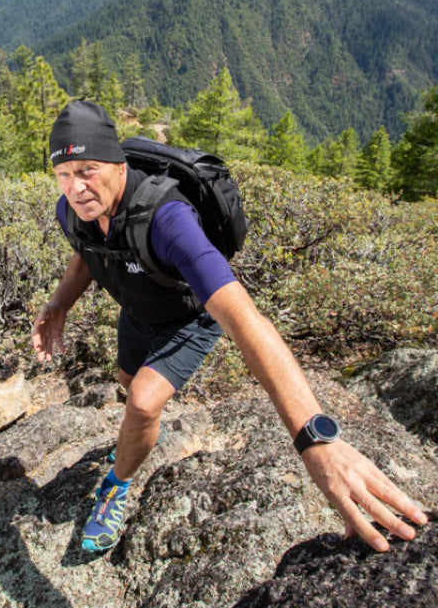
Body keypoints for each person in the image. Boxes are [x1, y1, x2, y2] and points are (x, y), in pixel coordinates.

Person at [33, 99, 428, 553]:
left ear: (118, 163)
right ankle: (132, 444)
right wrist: (59, 305)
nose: (76, 187)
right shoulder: (73, 211)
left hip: (188, 320)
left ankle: (116, 485)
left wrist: (315, 440)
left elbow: (243, 318)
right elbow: (87, 251)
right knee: (127, 386)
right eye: (64, 174)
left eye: (88, 169)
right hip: (138, 314)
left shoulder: (167, 219)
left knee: (143, 403)